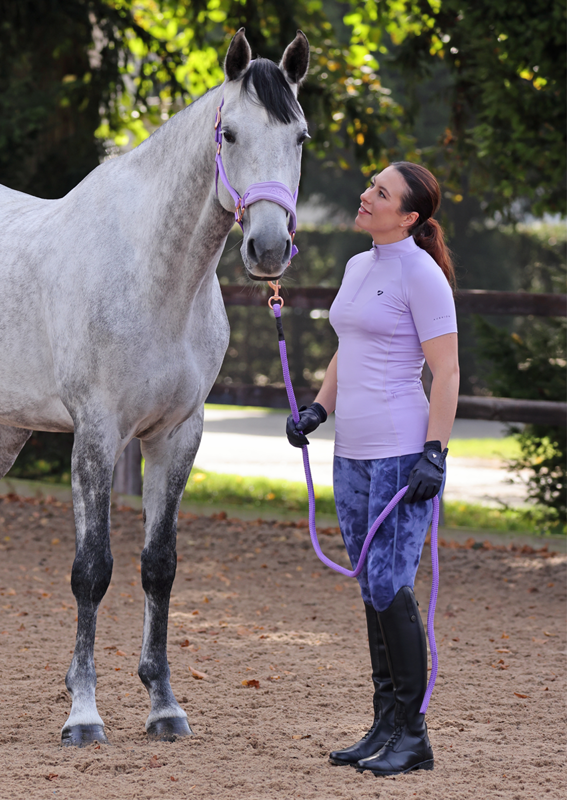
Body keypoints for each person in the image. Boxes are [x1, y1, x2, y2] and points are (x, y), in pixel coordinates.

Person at [286, 162, 459, 775]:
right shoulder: (361, 266)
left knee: (391, 586)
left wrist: (434, 452)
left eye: (381, 194)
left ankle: (414, 735)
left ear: (408, 217)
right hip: (352, 453)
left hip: (399, 451)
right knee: (370, 586)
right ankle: (385, 723)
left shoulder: (422, 275)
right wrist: (317, 408)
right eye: (371, 186)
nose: (366, 196)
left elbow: (447, 372)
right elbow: (347, 348)